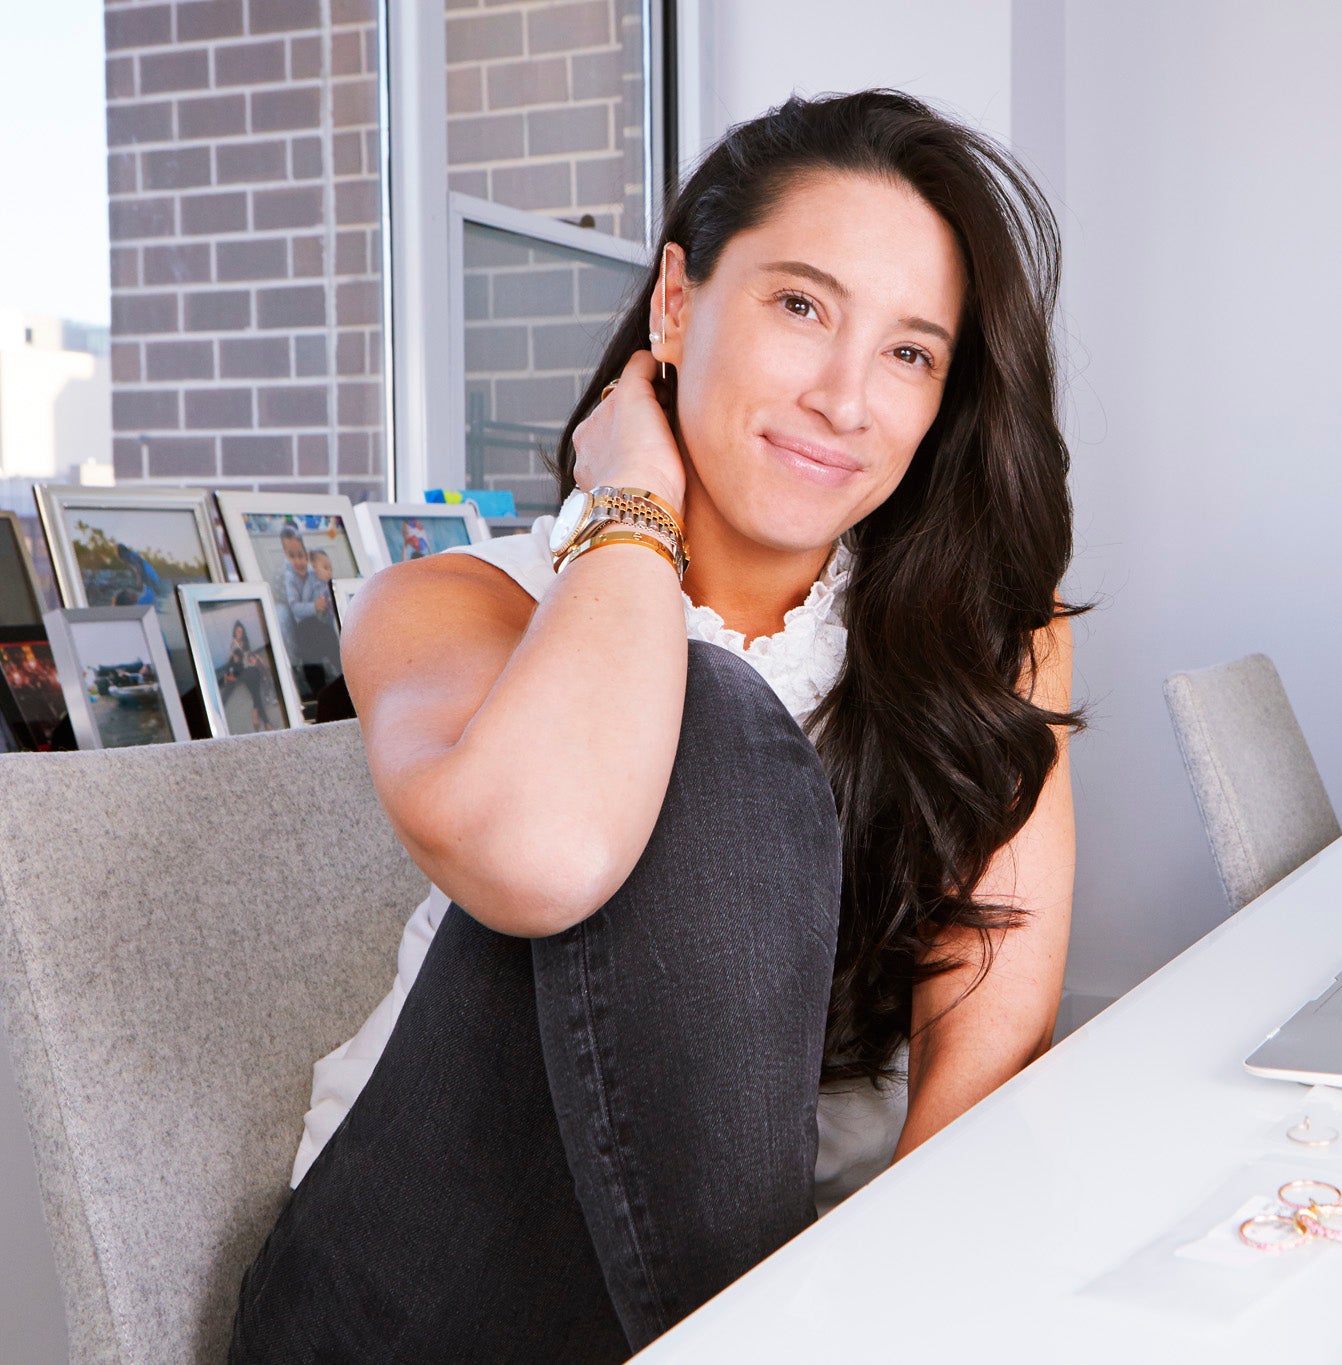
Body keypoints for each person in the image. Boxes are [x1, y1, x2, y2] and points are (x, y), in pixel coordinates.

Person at [230, 90, 1080, 1361]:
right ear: (675, 306)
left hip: (779, 1283)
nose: (847, 399)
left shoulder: (981, 643)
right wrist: (632, 498)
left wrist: (908, 1294)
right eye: (801, 307)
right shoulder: (453, 604)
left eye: (910, 353)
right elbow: (540, 856)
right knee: (713, 725)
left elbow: (986, 1026)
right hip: (421, 1301)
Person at [274, 526, 341, 693]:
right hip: (304, 624)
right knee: (310, 649)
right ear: (286, 557)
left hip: (321, 621)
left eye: (301, 556)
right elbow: (296, 607)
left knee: (330, 639)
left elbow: (326, 595)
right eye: (292, 556)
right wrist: (314, 605)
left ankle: (343, 675)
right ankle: (316, 687)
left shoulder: (314, 574)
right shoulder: (290, 578)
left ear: (307, 555)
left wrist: (325, 583)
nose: (298, 561)